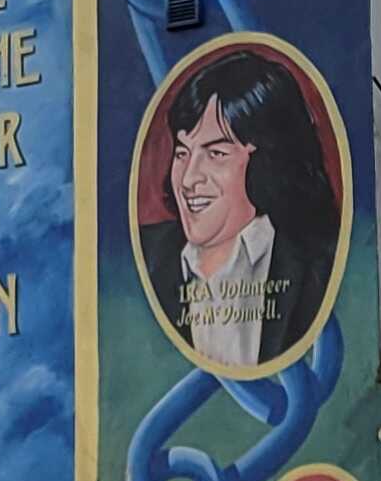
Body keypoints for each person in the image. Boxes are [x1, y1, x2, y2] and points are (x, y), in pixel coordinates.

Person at [138, 49, 337, 372]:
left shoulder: (319, 261)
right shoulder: (146, 257)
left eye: (215, 154)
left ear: (267, 161)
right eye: (182, 153)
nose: (188, 179)